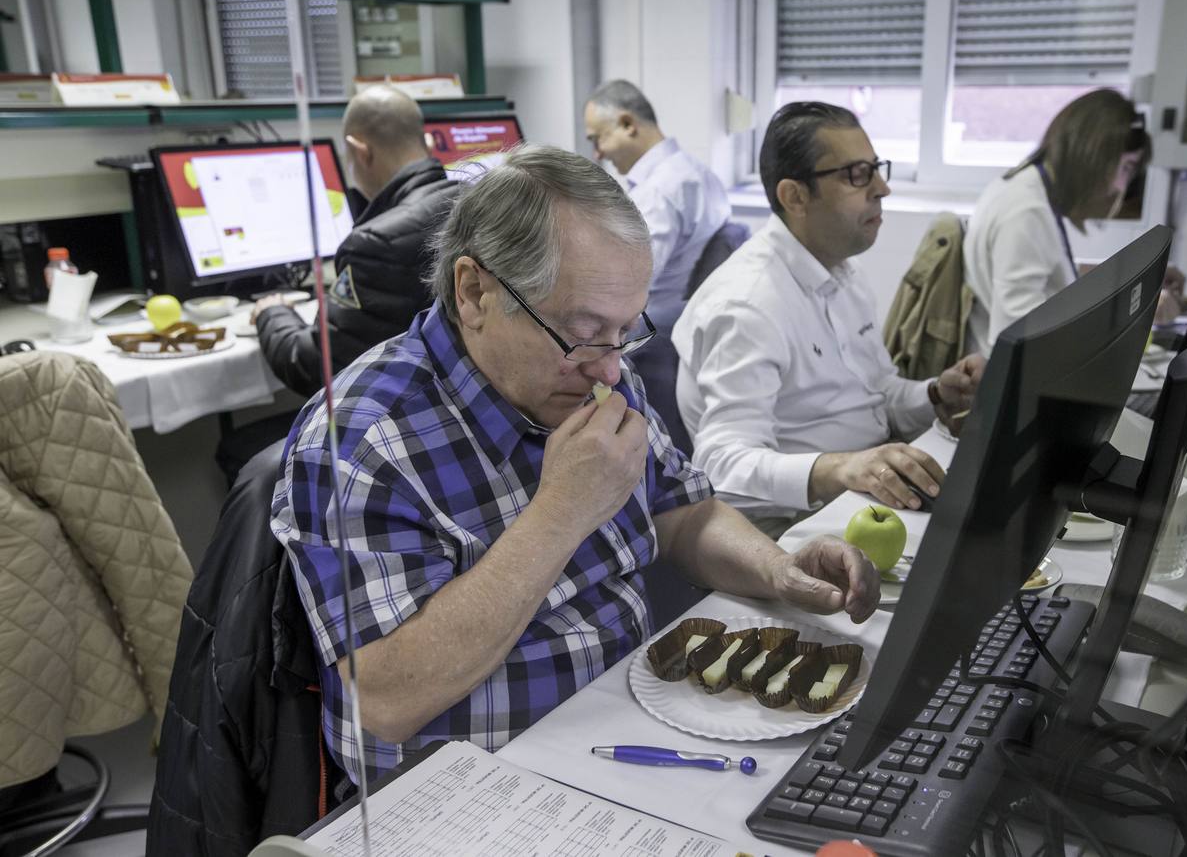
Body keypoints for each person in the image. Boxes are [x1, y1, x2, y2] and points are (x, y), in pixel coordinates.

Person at [270, 145, 881, 786]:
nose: (611, 367)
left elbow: (679, 509)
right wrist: (562, 511)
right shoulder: (361, 444)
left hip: (635, 731)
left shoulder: (597, 370)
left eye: (624, 331)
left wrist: (777, 570)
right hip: (479, 788)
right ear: (475, 291)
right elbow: (388, 699)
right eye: (582, 330)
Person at [673, 102, 984, 539]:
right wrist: (842, 468)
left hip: (860, 502)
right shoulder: (747, 304)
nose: (882, 188)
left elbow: (877, 398)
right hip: (789, 531)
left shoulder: (842, 271)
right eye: (857, 175)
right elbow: (720, 466)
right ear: (795, 196)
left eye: (877, 169)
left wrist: (936, 395)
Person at [253, 84, 457, 396]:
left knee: (235, 445)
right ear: (428, 143)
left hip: (400, 420)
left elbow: (315, 369)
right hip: (468, 405)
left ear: (361, 152)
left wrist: (272, 312)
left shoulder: (374, 244)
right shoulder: (473, 203)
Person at [962, 88, 1157, 356]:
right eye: (1125, 168)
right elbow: (1019, 339)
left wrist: (1130, 287)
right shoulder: (1027, 212)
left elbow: (1047, 281)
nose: (1120, 187)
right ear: (1094, 157)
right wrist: (1129, 311)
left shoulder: (1028, 187)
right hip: (1020, 388)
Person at [583, 79, 730, 334]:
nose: (597, 154)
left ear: (627, 125)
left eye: (598, 139)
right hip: (687, 321)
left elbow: (626, 286)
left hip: (651, 333)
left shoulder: (658, 193)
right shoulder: (699, 173)